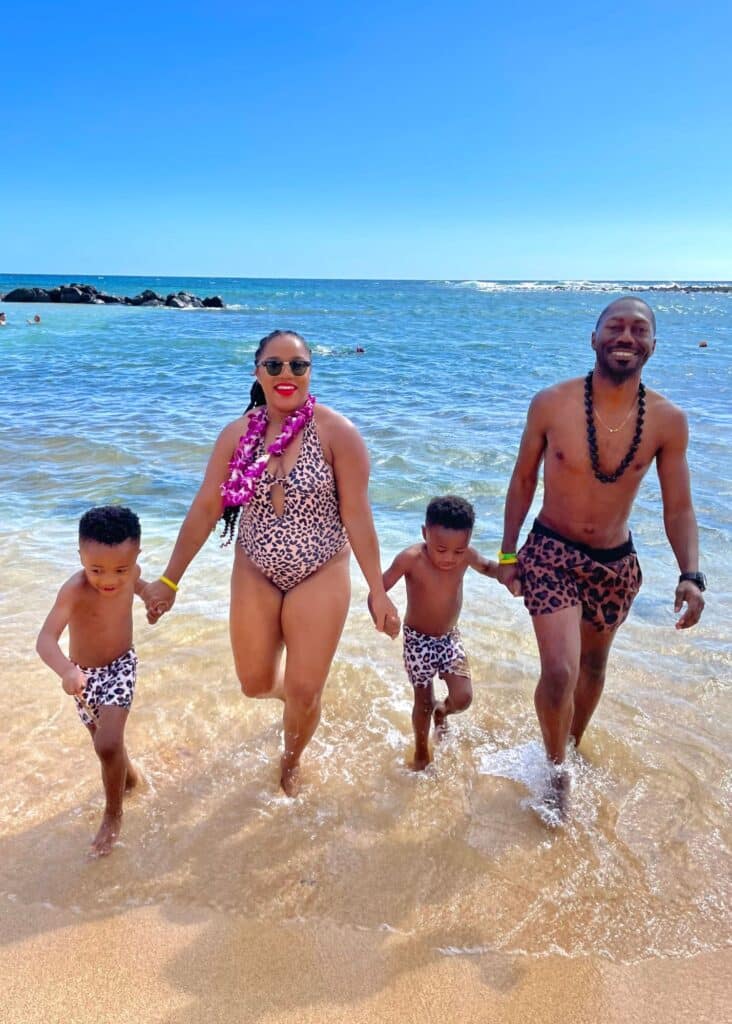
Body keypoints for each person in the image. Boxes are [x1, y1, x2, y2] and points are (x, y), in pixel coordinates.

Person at [143, 329, 399, 796]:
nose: (287, 374)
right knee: (255, 682)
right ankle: (297, 695)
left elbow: (358, 517)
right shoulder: (237, 435)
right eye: (275, 365)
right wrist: (169, 581)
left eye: (298, 365)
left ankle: (291, 756)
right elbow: (206, 508)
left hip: (320, 568)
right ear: (257, 373)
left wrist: (377, 590)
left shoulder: (338, 434)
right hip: (255, 567)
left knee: (304, 691)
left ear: (309, 372)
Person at [498, 296, 705, 816]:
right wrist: (507, 553)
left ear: (653, 345)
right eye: (615, 326)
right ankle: (555, 771)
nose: (626, 337)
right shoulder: (551, 403)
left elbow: (678, 507)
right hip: (550, 550)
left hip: (616, 563)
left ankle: (571, 743)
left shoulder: (667, 420)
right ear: (593, 338)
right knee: (562, 671)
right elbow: (523, 479)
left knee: (592, 667)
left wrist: (691, 574)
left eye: (640, 330)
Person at [36, 506, 149, 856]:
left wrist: (151, 599)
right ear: (80, 555)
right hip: (84, 678)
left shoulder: (132, 574)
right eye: (96, 569)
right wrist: (68, 672)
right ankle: (130, 780)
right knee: (107, 747)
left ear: (135, 557)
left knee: (107, 744)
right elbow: (45, 640)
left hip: (120, 666)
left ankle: (113, 815)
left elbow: (141, 586)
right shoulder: (74, 591)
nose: (109, 580)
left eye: (121, 570)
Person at [377, 495, 499, 770]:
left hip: (448, 637)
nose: (449, 558)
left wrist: (512, 570)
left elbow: (491, 568)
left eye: (459, 551)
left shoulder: (466, 557)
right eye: (441, 549)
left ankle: (443, 712)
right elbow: (378, 591)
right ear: (425, 533)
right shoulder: (411, 559)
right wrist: (385, 617)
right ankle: (421, 752)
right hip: (417, 640)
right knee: (423, 702)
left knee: (463, 697)